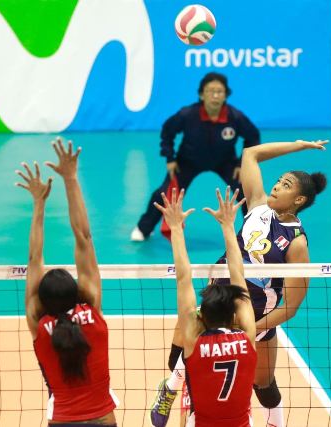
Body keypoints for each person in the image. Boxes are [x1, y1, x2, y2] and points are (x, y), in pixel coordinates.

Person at [150, 140, 328, 427]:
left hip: (256, 317)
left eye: (286, 185)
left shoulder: (296, 243)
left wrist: (250, 330)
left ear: (299, 200)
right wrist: (299, 146)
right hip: (218, 303)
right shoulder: (257, 207)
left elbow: (292, 307)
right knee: (180, 359)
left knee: (264, 386)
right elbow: (251, 154)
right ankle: (171, 389)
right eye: (279, 180)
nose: (277, 186)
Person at [15, 138, 118, 426]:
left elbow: (35, 258)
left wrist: (39, 204)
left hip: (62, 421)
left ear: (42, 301)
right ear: (77, 293)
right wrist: (71, 179)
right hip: (103, 420)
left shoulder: (39, 323)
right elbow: (84, 238)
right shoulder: (92, 313)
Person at [153, 186, 257, 426]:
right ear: (234, 315)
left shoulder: (193, 341)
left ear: (202, 318)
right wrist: (229, 226)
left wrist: (176, 229)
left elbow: (183, 278)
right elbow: (238, 276)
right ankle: (170, 387)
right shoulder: (247, 337)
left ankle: (171, 387)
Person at [131, 72, 260, 241]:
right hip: (188, 161)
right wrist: (170, 158)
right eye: (210, 91)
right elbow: (167, 132)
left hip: (225, 161)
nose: (215, 95)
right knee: (164, 193)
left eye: (219, 91)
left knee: (245, 190)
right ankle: (144, 228)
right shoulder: (187, 115)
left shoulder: (235, 117)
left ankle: (255, 231)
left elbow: (253, 136)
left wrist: (240, 164)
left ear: (226, 95)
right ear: (201, 94)